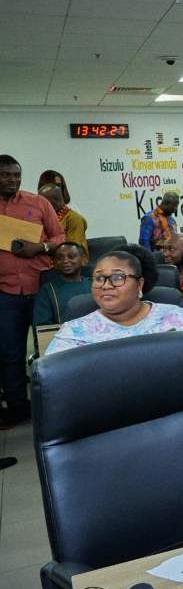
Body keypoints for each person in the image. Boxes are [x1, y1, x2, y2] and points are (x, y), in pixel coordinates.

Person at [46, 245, 183, 368]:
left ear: (139, 284)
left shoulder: (173, 316)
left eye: (117, 277)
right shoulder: (74, 332)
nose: (106, 285)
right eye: (99, 278)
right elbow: (50, 377)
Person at [0, 155, 65, 428]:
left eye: (16, 174)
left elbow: (59, 237)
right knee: (10, 354)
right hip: (5, 291)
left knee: (50, 348)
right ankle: (18, 406)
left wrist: (41, 247)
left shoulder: (37, 203)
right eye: (6, 175)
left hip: (41, 287)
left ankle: (56, 404)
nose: (12, 180)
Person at [33, 242, 91, 326]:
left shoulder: (95, 286)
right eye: (60, 258)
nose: (65, 261)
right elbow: (42, 328)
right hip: (61, 334)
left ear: (83, 259)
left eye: (71, 256)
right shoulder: (47, 291)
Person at [39, 184, 88, 262]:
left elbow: (70, 250)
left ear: (57, 200)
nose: (41, 206)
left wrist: (43, 248)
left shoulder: (74, 219)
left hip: (70, 265)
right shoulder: (48, 218)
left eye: (45, 203)